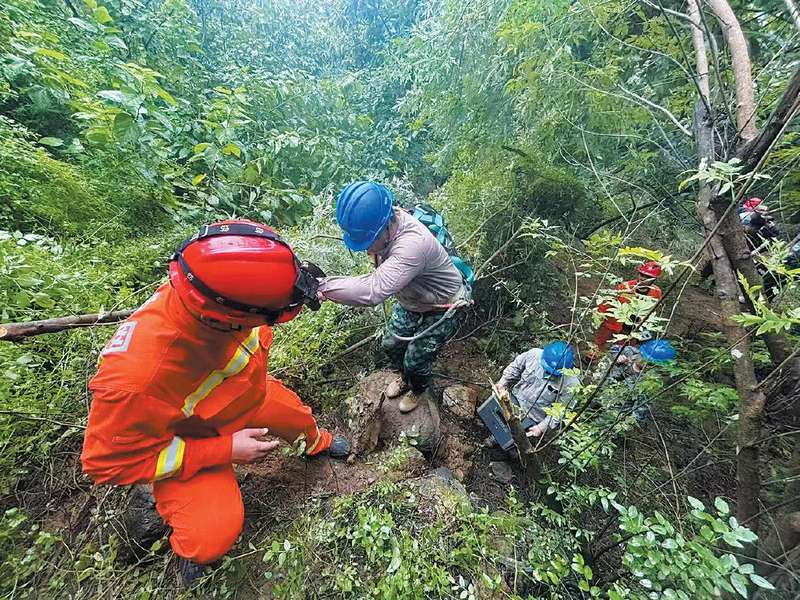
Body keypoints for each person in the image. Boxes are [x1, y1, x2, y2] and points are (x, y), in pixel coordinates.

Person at [80, 220, 350, 588]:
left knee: (296, 417)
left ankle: (316, 444)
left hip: (247, 396)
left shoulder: (226, 280)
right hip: (196, 434)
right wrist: (225, 449)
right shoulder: (135, 380)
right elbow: (107, 464)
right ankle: (190, 549)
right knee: (212, 535)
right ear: (229, 320)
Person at [317, 181, 468, 414]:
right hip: (413, 299)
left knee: (416, 360)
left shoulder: (412, 245)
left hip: (442, 305)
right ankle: (405, 378)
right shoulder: (386, 221)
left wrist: (323, 286)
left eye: (369, 243)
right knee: (391, 345)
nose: (367, 250)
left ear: (385, 228)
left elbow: (373, 290)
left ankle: (418, 388)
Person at [478, 341, 581, 449]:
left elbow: (559, 413)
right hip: (514, 400)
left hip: (533, 418)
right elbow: (515, 368)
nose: (548, 372)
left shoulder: (571, 385)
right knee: (491, 413)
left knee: (511, 440)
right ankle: (484, 426)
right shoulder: (533, 354)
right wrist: (502, 384)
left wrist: (541, 427)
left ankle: (500, 445)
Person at [594, 261, 663, 353]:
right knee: (598, 346)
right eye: (641, 275)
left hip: (633, 329)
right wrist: (599, 317)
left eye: (648, 277)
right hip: (613, 324)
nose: (643, 278)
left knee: (623, 352)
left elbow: (652, 310)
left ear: (654, 279)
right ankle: (591, 359)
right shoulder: (625, 287)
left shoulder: (656, 292)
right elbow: (607, 303)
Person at [605, 338, 676, 425]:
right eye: (642, 356)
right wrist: (617, 356)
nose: (642, 360)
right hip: (600, 390)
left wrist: (621, 423)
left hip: (614, 412)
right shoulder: (630, 352)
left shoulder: (648, 385)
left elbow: (638, 416)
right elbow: (612, 348)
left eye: (649, 363)